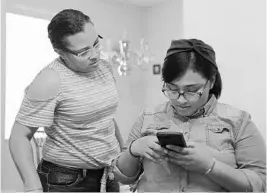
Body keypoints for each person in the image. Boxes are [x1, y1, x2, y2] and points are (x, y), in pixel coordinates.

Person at [112, 39, 266, 192]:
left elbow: (259, 185)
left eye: (191, 90)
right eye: (172, 89)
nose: (180, 99)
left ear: (211, 81)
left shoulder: (238, 122)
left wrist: (209, 166)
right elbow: (122, 177)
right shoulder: (148, 117)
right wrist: (134, 149)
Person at [9, 9, 124, 192]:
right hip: (66, 181)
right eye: (83, 52)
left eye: (96, 44)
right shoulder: (50, 80)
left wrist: (123, 150)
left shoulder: (104, 68)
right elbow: (18, 137)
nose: (94, 55)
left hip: (107, 175)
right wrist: (32, 186)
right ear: (60, 51)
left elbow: (105, 117)